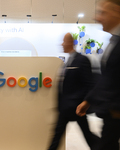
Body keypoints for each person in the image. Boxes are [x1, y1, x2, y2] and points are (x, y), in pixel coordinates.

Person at [76, 0, 120, 149]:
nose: (97, 17)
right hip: (111, 116)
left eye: (103, 12)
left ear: (117, 12)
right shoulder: (113, 41)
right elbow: (107, 77)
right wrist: (88, 101)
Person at [47, 33, 100, 150]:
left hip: (76, 107)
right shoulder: (67, 62)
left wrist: (85, 102)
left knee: (88, 136)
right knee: (57, 136)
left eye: (64, 41)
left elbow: (89, 84)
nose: (62, 44)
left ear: (71, 42)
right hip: (65, 108)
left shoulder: (81, 60)